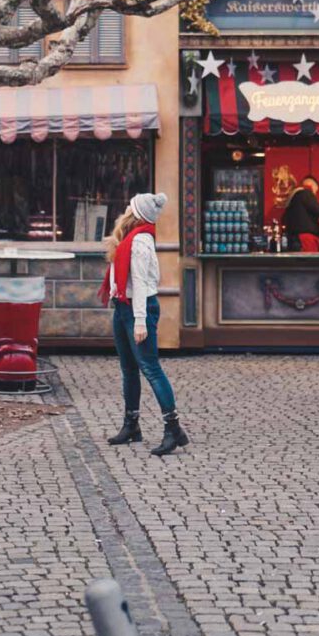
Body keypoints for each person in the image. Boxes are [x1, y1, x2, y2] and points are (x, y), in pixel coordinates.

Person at [99, 192, 189, 457]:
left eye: (130, 205)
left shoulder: (139, 241)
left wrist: (140, 322)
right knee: (129, 369)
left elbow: (139, 284)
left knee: (150, 367)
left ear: (136, 213)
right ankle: (132, 425)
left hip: (139, 310)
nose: (125, 207)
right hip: (123, 307)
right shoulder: (129, 238)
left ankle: (173, 428)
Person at [283, 175, 319, 252]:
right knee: (309, 262)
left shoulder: (293, 197)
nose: (314, 194)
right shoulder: (305, 193)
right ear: (312, 186)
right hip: (305, 237)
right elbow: (318, 210)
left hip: (295, 237)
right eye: (315, 191)